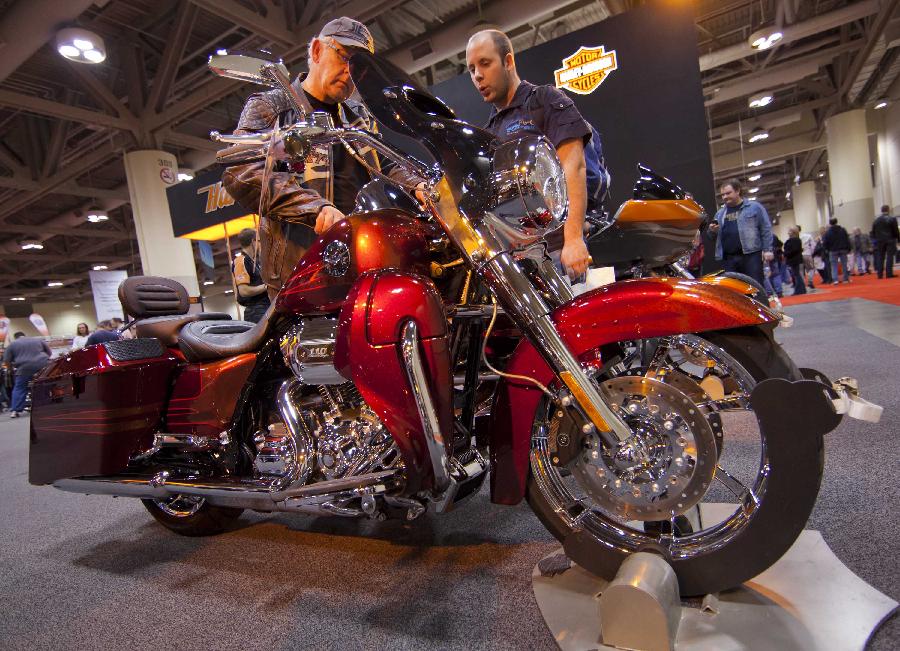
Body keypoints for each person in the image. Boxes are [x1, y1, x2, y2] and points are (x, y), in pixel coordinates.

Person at [223, 17, 425, 299]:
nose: (349, 71)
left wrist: (420, 186)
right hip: (303, 274)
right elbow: (241, 169)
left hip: (364, 261)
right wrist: (315, 208)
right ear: (317, 51)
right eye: (344, 57)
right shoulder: (272, 107)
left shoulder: (358, 118)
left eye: (359, 66)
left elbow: (387, 163)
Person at [465, 29, 593, 278]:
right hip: (521, 264)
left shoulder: (545, 101)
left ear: (508, 61)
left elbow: (574, 166)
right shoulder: (488, 133)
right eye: (471, 69)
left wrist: (574, 238)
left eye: (485, 63)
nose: (478, 76)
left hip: (560, 251)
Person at [707, 179, 773, 287]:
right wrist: (712, 231)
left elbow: (765, 228)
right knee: (735, 290)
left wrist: (768, 250)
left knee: (756, 287)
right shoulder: (720, 214)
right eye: (722, 195)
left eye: (728, 193)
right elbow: (711, 237)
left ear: (738, 191)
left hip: (751, 256)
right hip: (728, 259)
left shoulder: (754, 207)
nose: (725, 197)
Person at [2, 331, 51, 417]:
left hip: (24, 368)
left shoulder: (12, 344)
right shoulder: (38, 340)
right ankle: (44, 406)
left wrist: (11, 369)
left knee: (19, 388)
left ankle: (15, 411)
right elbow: (49, 352)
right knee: (43, 385)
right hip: (42, 365)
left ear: (15, 337)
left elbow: (6, 360)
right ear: (25, 336)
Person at [232, 227, 271, 323]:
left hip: (265, 308)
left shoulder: (255, 262)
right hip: (257, 311)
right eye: (259, 241)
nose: (261, 244)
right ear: (253, 241)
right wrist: (267, 286)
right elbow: (244, 291)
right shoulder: (241, 261)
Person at [871, 204, 898, 279]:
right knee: (889, 257)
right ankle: (889, 274)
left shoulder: (876, 220)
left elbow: (872, 232)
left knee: (880, 257)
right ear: (888, 210)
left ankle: (880, 274)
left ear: (881, 210)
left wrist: (875, 240)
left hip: (880, 241)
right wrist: (898, 239)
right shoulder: (892, 219)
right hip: (890, 240)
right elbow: (895, 230)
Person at [823, 218, 851, 284]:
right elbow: (847, 239)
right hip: (843, 249)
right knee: (844, 264)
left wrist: (827, 249)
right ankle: (845, 279)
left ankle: (835, 280)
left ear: (830, 223)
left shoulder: (828, 232)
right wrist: (848, 248)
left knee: (833, 265)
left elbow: (825, 242)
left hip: (833, 250)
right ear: (836, 222)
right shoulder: (842, 230)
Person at [783, 226, 806, 295]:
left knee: (796, 275)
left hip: (795, 260)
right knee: (796, 275)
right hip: (794, 259)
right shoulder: (795, 240)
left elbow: (794, 250)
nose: (788, 233)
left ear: (793, 232)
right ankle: (801, 289)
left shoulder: (795, 240)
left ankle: (799, 290)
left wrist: (786, 253)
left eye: (789, 231)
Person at [798, 224, 816, 289]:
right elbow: (813, 245)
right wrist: (812, 253)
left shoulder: (795, 238)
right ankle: (810, 281)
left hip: (799, 256)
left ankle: (803, 284)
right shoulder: (808, 236)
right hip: (807, 254)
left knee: (800, 271)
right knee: (811, 269)